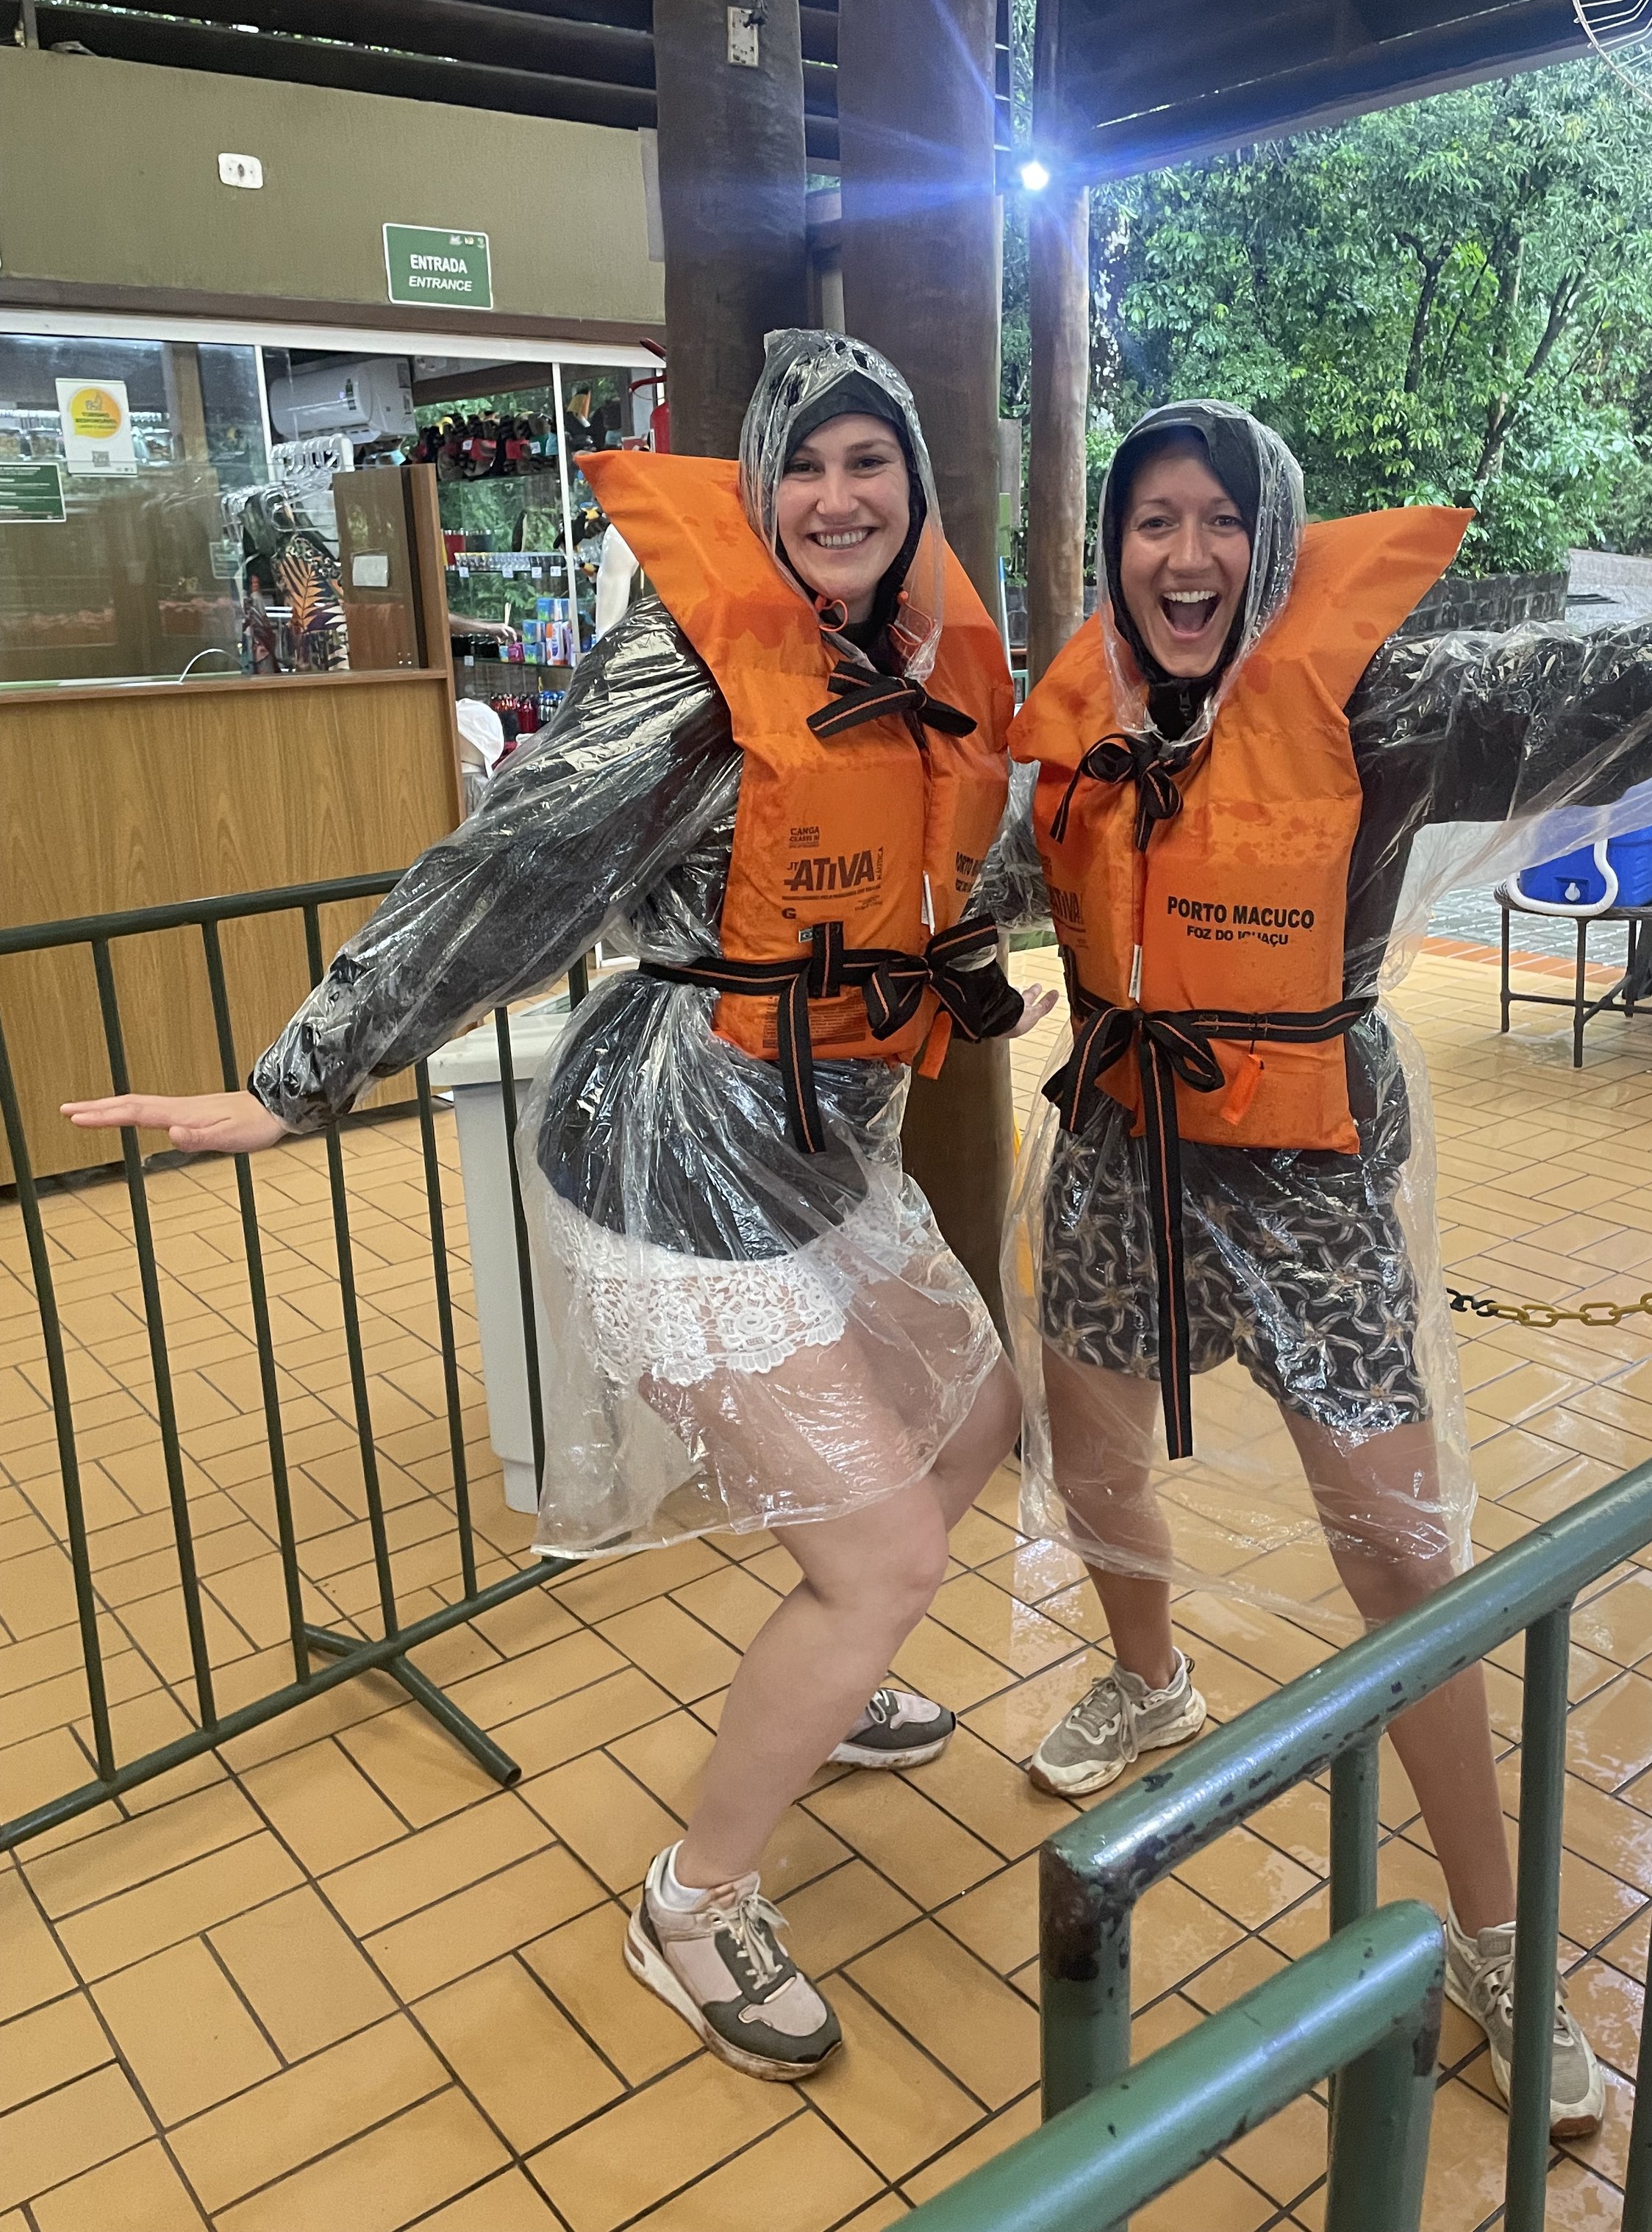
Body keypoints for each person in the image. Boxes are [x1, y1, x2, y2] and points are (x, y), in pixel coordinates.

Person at [65, 330, 1051, 2086]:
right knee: (885, 1551)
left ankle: (823, 1688)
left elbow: (976, 848)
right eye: (802, 468)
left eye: (868, 466)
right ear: (759, 489)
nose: (835, 498)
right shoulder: (688, 664)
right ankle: (693, 1894)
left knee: (976, 1417)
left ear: (912, 492)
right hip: (669, 1150)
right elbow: (502, 868)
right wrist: (301, 1075)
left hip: (826, 1139)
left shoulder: (923, 657)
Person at [980, 398, 1652, 2141]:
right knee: (1087, 1437)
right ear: (1114, 540)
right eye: (1152, 516)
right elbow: (962, 867)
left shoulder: (1387, 698)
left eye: (1221, 516)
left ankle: (1494, 1935)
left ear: (1271, 539)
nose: (1187, 550)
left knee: (1399, 1549)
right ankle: (1147, 1672)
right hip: (1114, 1142)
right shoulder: (1067, 714)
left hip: (1302, 1162)